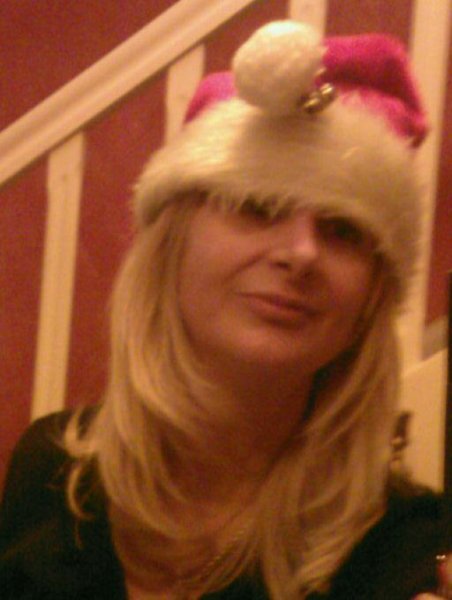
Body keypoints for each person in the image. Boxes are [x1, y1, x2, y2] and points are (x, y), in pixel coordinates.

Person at [0, 20, 450, 600]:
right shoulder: (50, 467)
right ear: (172, 250)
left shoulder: (402, 548)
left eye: (343, 231)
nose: (302, 253)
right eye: (258, 206)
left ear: (370, 300)